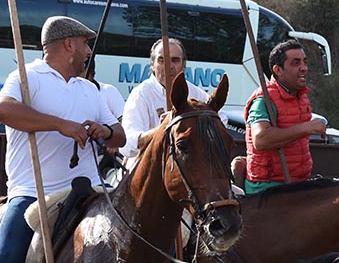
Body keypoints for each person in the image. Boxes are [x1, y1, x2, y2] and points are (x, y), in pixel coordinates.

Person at [0, 16, 125, 263]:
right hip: (34, 192)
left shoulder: (90, 89)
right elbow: (2, 112)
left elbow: (120, 135)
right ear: (67, 45)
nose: (88, 51)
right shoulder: (26, 77)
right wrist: (59, 124)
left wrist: (105, 129)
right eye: (85, 43)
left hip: (90, 190)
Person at [120, 38, 225, 163]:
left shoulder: (196, 93)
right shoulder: (140, 94)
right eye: (161, 60)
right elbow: (127, 143)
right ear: (152, 64)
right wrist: (161, 131)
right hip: (148, 171)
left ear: (184, 64)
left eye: (175, 60)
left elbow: (221, 120)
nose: (168, 66)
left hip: (186, 171)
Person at [241, 40, 325, 194]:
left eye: (305, 62)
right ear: (278, 70)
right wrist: (306, 128)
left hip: (298, 182)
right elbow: (261, 140)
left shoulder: (301, 96)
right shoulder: (263, 99)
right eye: (295, 63)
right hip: (267, 187)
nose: (303, 68)